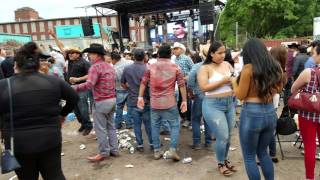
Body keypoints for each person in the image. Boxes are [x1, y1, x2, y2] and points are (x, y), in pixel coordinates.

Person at [0, 42, 78, 179]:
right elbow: (74, 98)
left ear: (16, 65)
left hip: (18, 143)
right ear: (38, 64)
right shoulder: (53, 82)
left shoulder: (4, 85)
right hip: (50, 138)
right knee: (54, 174)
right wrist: (63, 114)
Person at [232, 38, 284, 180]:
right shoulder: (276, 66)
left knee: (249, 157)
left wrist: (232, 81)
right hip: (269, 111)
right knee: (263, 152)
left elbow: (240, 95)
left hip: (251, 113)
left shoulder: (248, 69)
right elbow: (279, 88)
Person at [137, 44, 187, 161]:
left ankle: (157, 151)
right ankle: (173, 150)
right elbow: (181, 85)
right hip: (169, 102)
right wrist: (184, 100)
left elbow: (143, 83)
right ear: (170, 54)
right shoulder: (176, 68)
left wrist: (140, 97)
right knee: (175, 125)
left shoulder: (150, 67)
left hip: (154, 103)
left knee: (155, 126)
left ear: (158, 54)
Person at [73, 43, 119, 162]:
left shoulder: (95, 67)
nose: (89, 56)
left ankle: (104, 153)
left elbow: (89, 84)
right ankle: (114, 150)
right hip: (112, 99)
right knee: (111, 126)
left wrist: (74, 88)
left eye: (90, 54)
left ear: (97, 55)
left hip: (102, 101)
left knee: (100, 129)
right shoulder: (109, 66)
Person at [198, 41, 236, 176]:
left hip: (229, 103)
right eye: (219, 53)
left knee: (229, 136)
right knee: (223, 136)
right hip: (213, 105)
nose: (222, 55)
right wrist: (223, 81)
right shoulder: (205, 68)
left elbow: (234, 81)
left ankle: (225, 159)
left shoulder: (227, 64)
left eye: (224, 52)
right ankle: (220, 163)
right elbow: (203, 87)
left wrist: (234, 84)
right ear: (212, 54)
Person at [49, 29, 93, 136]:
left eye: (72, 53)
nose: (70, 54)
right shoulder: (70, 60)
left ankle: (88, 125)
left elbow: (91, 75)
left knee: (82, 108)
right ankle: (82, 123)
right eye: (70, 53)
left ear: (78, 54)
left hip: (82, 88)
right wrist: (54, 37)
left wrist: (78, 79)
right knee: (76, 109)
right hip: (71, 88)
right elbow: (61, 47)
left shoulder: (85, 62)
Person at [291, 43, 320, 180]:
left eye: (314, 53)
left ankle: (310, 178)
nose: (312, 56)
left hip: (308, 115)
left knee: (310, 146)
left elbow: (293, 89)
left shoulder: (309, 72)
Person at [121, 49, 153, 152]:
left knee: (136, 124)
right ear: (144, 57)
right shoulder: (148, 68)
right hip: (146, 100)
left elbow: (122, 83)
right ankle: (152, 143)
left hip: (133, 100)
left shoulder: (127, 68)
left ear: (133, 57)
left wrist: (129, 89)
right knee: (148, 124)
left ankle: (140, 145)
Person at [187, 52, 212, 150]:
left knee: (196, 119)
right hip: (211, 97)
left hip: (199, 95)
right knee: (208, 120)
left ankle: (197, 143)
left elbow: (190, 82)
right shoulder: (214, 66)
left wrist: (191, 93)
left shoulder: (197, 66)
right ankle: (208, 142)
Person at [173, 42, 193, 128]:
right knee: (180, 101)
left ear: (181, 50)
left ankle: (189, 120)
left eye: (176, 48)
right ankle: (183, 117)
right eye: (174, 49)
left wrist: (187, 77)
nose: (174, 50)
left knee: (187, 101)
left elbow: (193, 69)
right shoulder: (175, 59)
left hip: (187, 83)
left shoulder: (187, 58)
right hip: (179, 84)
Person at [111, 51, 134, 129]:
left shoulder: (114, 68)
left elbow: (112, 80)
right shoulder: (130, 62)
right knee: (130, 107)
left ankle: (117, 124)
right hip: (130, 88)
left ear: (114, 59)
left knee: (119, 107)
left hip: (119, 89)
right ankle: (129, 123)